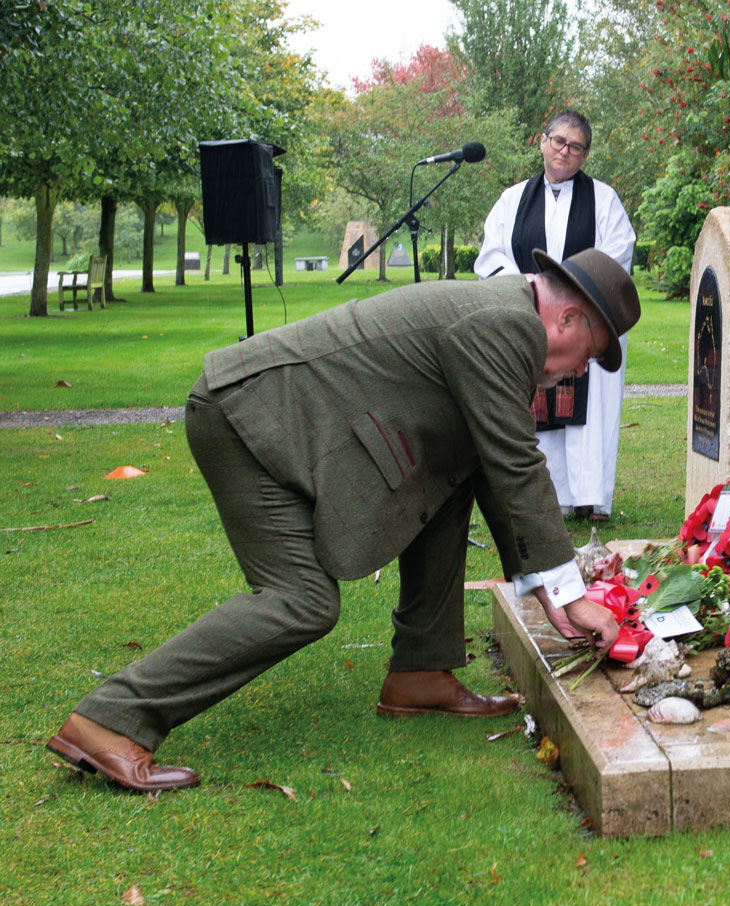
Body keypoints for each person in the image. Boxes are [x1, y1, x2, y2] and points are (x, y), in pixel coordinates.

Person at [45, 247, 642, 793]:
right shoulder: (504, 324)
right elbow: (516, 460)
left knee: (456, 471)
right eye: (590, 355)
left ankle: (421, 670)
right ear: (567, 320)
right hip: (249, 420)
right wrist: (571, 593)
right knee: (302, 600)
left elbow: (492, 467)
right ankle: (111, 719)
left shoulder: (504, 313)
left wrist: (545, 589)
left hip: (280, 418)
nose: (581, 371)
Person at [474, 110, 636, 522]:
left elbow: (617, 251)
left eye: (576, 147)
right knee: (538, 406)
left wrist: (574, 293)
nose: (565, 151)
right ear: (543, 142)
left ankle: (591, 498)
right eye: (559, 141)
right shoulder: (512, 200)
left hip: (586, 318)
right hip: (534, 318)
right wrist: (531, 293)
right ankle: (552, 498)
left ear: (585, 155)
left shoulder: (604, 199)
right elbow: (492, 255)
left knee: (592, 409)